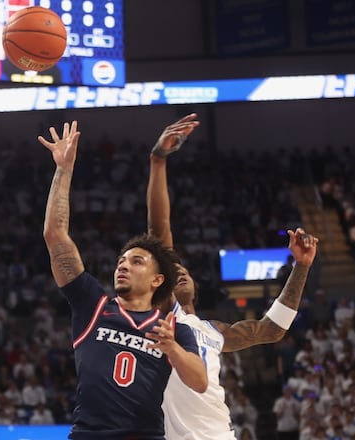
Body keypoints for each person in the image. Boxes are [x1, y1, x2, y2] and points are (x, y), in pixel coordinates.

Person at [146, 114, 318, 439]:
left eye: (185, 271)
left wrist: (301, 267)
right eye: (173, 270)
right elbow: (159, 231)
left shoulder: (215, 331)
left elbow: (273, 329)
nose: (179, 272)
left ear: (197, 286)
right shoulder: (165, 316)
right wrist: (158, 161)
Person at [39, 120, 207, 439]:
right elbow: (54, 235)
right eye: (121, 261)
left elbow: (199, 380)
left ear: (158, 280)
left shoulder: (174, 328)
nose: (123, 266)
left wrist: (171, 348)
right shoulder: (94, 306)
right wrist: (63, 169)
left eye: (136, 261)